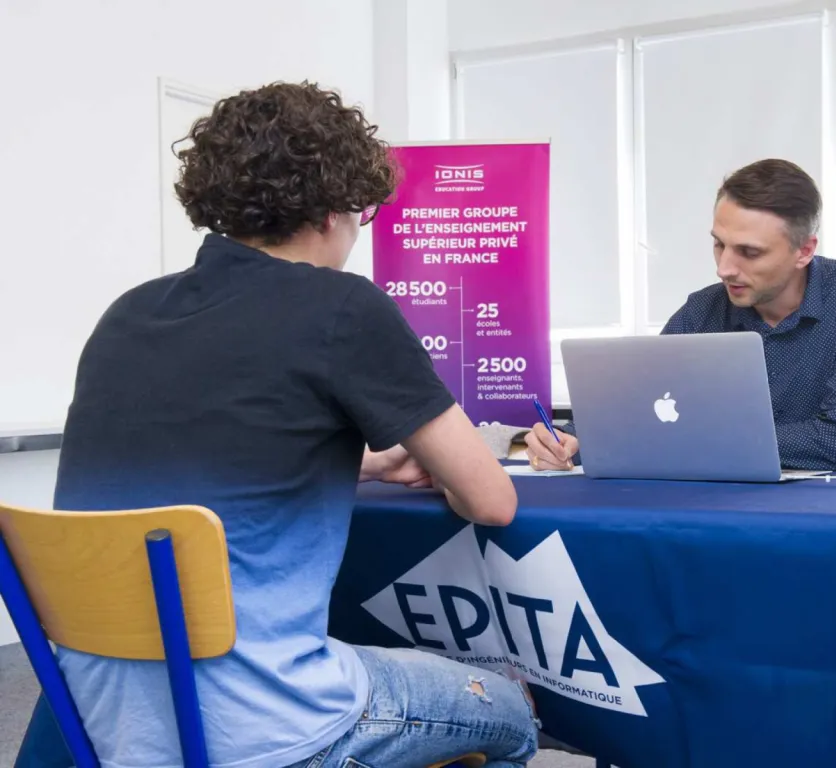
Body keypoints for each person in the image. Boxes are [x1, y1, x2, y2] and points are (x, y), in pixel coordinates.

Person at [15, 82, 538, 768]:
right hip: (270, 731)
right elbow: (493, 501)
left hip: (106, 730)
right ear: (333, 207)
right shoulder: (343, 308)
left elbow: (219, 449)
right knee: (512, 709)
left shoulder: (128, 315)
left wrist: (367, 464)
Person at [526, 158, 836, 473]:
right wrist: (571, 438)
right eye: (719, 244)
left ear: (804, 251)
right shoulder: (702, 310)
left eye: (749, 252)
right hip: (734, 507)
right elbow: (635, 404)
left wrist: (688, 438)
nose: (724, 268)